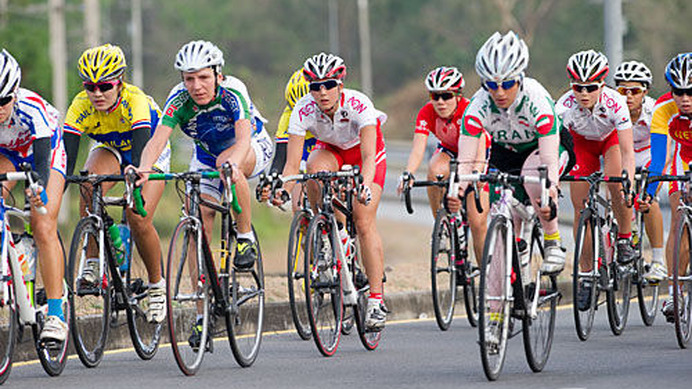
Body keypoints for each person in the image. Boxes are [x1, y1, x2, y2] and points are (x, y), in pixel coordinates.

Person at [132, 40, 272, 346]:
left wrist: (233, 163)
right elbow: (158, 140)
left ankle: (245, 238)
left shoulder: (233, 90)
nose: (196, 85)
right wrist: (144, 168)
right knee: (197, 220)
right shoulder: (178, 98)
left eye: (203, 77)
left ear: (218, 74)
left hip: (250, 147)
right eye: (189, 78)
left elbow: (245, 135)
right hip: (207, 156)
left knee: (227, 165)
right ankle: (202, 314)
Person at [456, 31, 571, 347]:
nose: (499, 91)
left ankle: (552, 240)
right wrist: (459, 188)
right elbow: (465, 162)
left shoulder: (536, 100)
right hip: (507, 152)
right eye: (491, 85)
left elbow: (549, 159)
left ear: (520, 78)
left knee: (535, 176)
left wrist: (549, 192)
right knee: (499, 230)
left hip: (545, 148)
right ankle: (495, 318)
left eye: (507, 84)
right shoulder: (478, 105)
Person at [273, 53, 389, 331]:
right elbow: (291, 164)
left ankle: (376, 300)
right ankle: (325, 229)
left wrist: (364, 184)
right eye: (315, 86)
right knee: (313, 166)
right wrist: (284, 190)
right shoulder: (302, 110)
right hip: (332, 152)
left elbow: (370, 155)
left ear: (340, 83)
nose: (322, 92)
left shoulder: (360, 103)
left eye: (328, 84)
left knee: (363, 221)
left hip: (364, 155)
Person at [63, 44, 169, 323]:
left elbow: (142, 150)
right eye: (90, 86)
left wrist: (135, 181)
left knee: (138, 215)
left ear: (119, 82)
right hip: (110, 149)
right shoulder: (80, 105)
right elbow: (67, 159)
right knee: (87, 184)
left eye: (105, 86)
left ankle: (157, 286)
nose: (97, 93)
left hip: (146, 151)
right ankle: (94, 260)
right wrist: (55, 188)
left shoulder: (135, 101)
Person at [557, 50, 636, 310]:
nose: (584, 93)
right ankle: (587, 275)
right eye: (578, 87)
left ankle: (624, 238)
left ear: (602, 84)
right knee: (581, 212)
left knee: (617, 185)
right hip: (581, 146)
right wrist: (554, 180)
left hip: (610, 142)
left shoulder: (616, 102)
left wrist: (630, 180)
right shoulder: (564, 106)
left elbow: (627, 150)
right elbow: (555, 150)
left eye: (591, 87)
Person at [0, 49, 68, 341]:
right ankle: (11, 255)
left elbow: (41, 162)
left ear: (14, 93)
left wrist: (36, 188)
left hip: (43, 150)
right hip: (6, 153)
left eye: (3, 101)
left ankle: (56, 314)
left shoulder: (32, 107)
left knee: (42, 223)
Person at [397, 66, 489, 266]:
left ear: (458, 95)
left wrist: (477, 173)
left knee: (477, 223)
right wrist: (408, 173)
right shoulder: (427, 112)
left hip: (476, 154)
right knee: (434, 170)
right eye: (434, 96)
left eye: (446, 96)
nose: (439, 102)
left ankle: (485, 280)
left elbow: (481, 146)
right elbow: (418, 148)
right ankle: (442, 225)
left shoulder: (470, 109)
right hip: (449, 150)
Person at [648, 52, 692, 322]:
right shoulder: (663, 109)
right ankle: (674, 294)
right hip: (682, 156)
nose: (685, 99)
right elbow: (659, 157)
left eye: (691, 92)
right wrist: (648, 194)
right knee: (678, 219)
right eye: (679, 92)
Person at [613, 60, 666, 282]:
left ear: (645, 92)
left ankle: (658, 261)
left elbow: (662, 154)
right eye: (622, 90)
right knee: (614, 192)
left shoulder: (653, 112)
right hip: (621, 154)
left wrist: (651, 188)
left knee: (647, 201)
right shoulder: (611, 108)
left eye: (634, 91)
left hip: (647, 155)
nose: (628, 96)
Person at [258, 69, 314, 209]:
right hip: (300, 149)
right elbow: (281, 157)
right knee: (297, 205)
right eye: (296, 109)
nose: (302, 116)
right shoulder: (287, 118)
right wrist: (272, 181)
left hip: (323, 145)